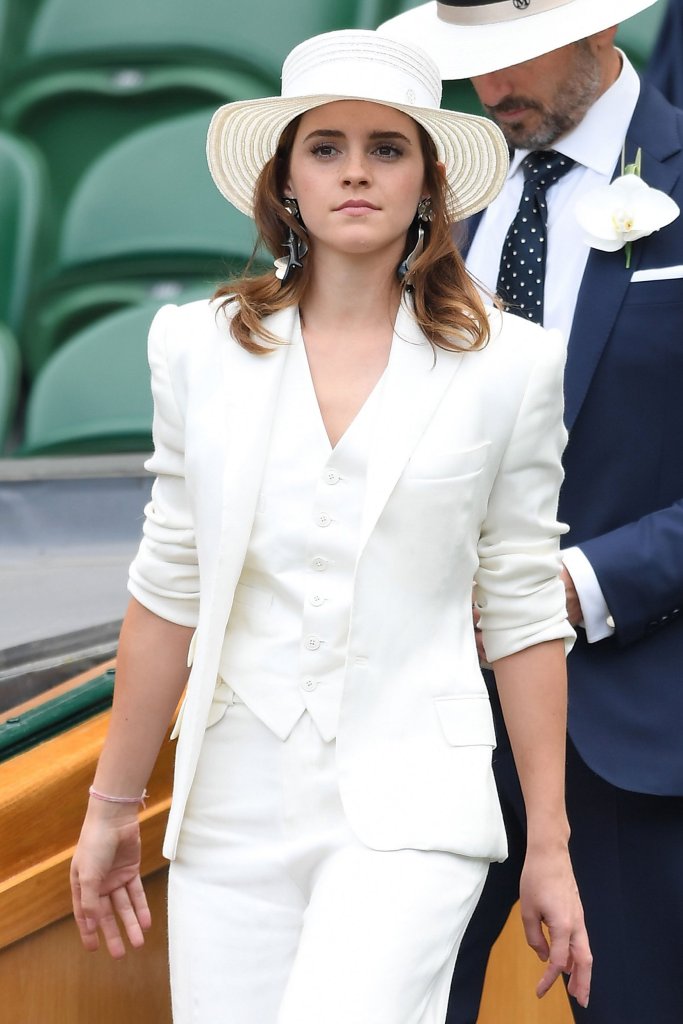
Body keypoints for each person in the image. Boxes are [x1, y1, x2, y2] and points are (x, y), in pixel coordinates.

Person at [69, 29, 591, 1024]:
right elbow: (168, 586)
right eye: (326, 147)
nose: (355, 171)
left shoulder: (511, 367)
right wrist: (110, 806)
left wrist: (549, 848)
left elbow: (522, 610)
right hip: (231, 810)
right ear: (286, 180)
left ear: (429, 184)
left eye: (386, 149)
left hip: (414, 809)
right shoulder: (193, 348)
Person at [379, 2, 683, 1022]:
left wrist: (576, 585)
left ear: (603, 31)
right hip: (430, 720)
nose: (488, 88)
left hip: (636, 726)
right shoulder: (430, 196)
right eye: (468, 64)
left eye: (511, 56)